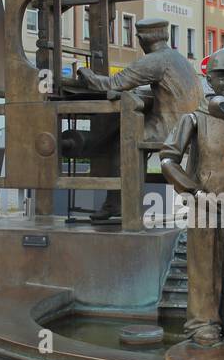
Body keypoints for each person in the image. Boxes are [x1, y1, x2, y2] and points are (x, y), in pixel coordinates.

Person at [158, 48, 224, 347]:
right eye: (223, 76)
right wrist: (193, 191)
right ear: (209, 78)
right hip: (204, 205)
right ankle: (202, 321)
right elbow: (168, 159)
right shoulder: (194, 119)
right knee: (204, 267)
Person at [69, 18, 206, 221]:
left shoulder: (155, 59)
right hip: (190, 124)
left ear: (142, 39)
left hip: (172, 128)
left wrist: (86, 73)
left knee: (124, 142)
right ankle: (117, 202)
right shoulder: (176, 58)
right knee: (126, 135)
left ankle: (118, 204)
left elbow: (114, 83)